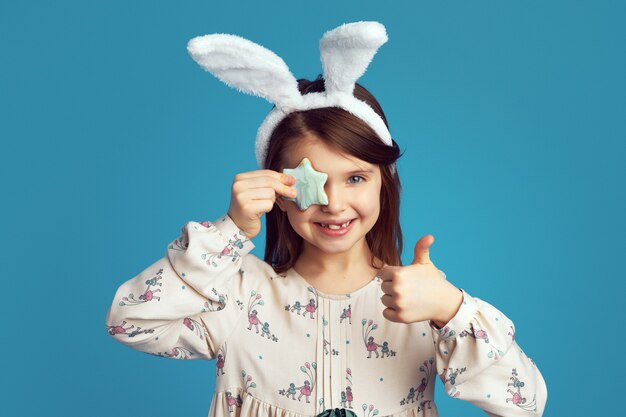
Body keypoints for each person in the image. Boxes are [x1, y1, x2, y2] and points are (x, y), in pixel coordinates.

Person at [105, 22, 547, 417]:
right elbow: (129, 321)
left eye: (355, 177)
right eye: (313, 182)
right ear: (276, 190)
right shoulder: (239, 297)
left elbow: (524, 406)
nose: (334, 204)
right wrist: (229, 232)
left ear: (382, 182)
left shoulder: (421, 303)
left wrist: (451, 309)